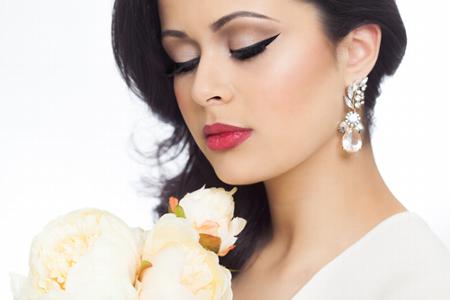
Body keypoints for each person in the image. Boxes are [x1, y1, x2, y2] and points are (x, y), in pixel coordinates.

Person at [111, 0, 450, 299]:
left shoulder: (420, 285)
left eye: (248, 47)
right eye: (184, 61)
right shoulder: (185, 265)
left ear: (355, 51)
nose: (203, 89)